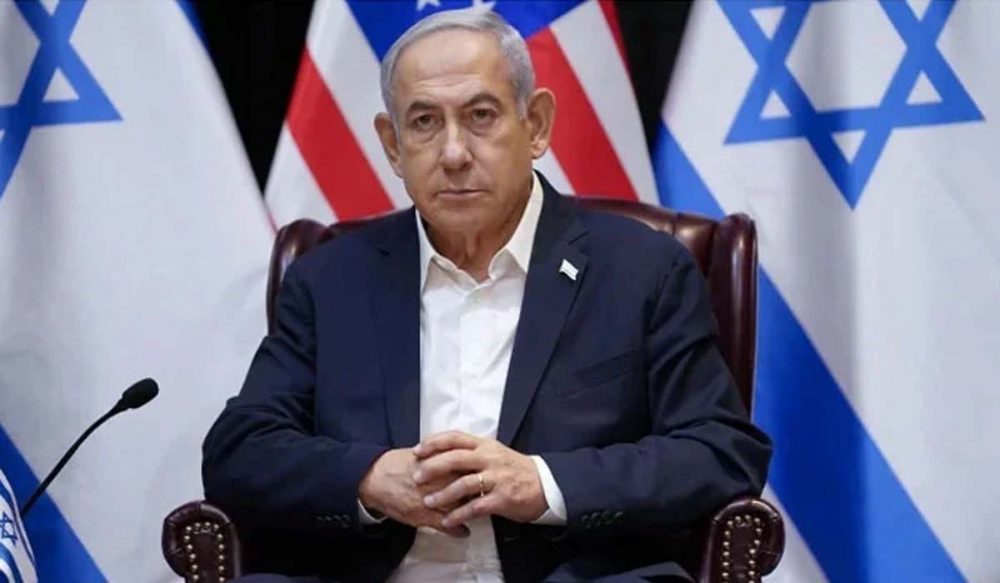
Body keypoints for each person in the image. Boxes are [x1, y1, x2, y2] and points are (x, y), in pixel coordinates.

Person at [202, 8, 771, 583]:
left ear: (536, 124)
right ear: (393, 146)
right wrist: (368, 478)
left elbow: (719, 450)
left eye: (480, 116)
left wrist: (544, 485)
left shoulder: (643, 269)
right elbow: (239, 451)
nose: (454, 153)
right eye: (424, 122)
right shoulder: (329, 280)